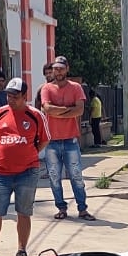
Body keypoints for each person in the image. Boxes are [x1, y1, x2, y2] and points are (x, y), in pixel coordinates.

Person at [0, 78, 48, 256]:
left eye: (15, 96)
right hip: (1, 173)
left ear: (24, 96)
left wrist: (27, 153)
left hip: (27, 172)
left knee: (24, 212)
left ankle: (21, 251)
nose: (10, 99)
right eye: (8, 95)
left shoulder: (35, 116)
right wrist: (9, 151)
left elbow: (44, 140)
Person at [40, 55, 93, 220]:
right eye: (55, 68)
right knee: (54, 177)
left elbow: (79, 110)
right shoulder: (46, 88)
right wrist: (68, 109)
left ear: (67, 69)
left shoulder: (76, 87)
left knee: (76, 176)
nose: (58, 71)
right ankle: (61, 208)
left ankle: (82, 208)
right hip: (51, 141)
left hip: (71, 139)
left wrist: (59, 111)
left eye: (61, 68)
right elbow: (47, 109)